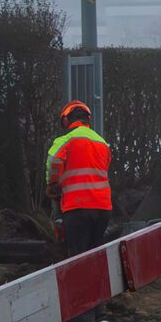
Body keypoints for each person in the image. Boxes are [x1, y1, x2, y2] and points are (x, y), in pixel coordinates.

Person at [46, 100, 112, 259]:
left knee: (78, 257)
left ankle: (81, 284)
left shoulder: (66, 140)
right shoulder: (102, 142)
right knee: (95, 254)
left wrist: (53, 184)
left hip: (77, 207)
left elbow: (54, 162)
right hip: (103, 208)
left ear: (66, 120)